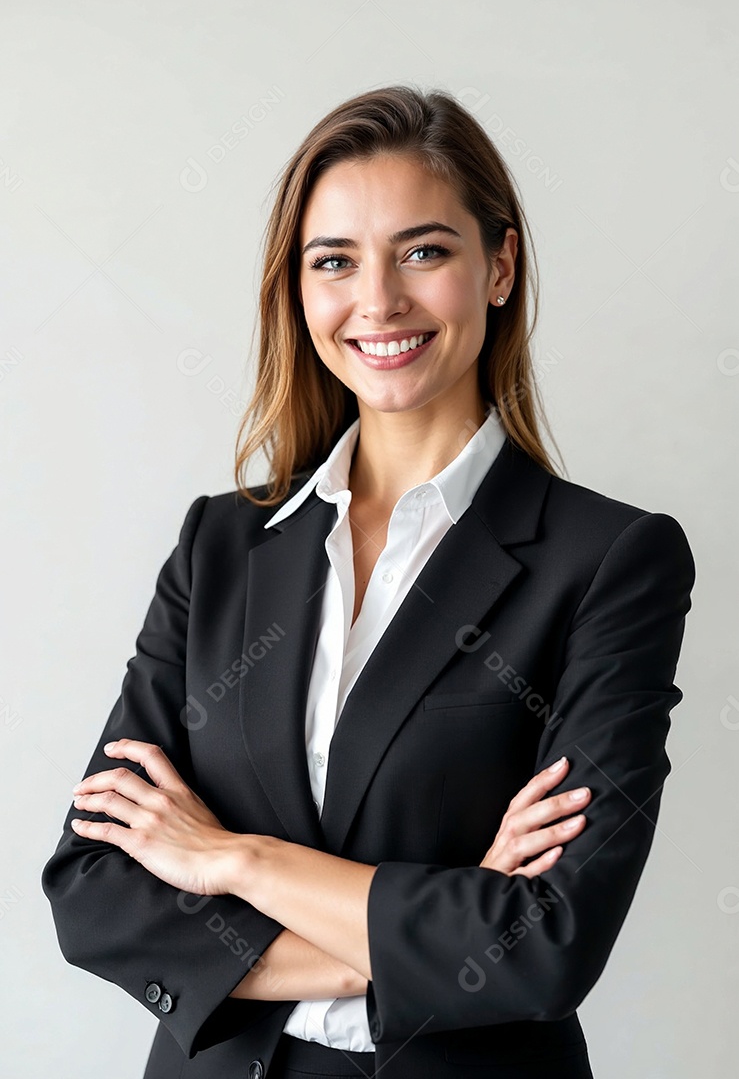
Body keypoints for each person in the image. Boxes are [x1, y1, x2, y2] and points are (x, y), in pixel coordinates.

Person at [41, 84, 695, 1079]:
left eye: (423, 252)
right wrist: (436, 919)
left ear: (500, 265)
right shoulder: (221, 546)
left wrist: (232, 861)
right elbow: (92, 884)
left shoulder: (609, 561)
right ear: (299, 291)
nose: (378, 301)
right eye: (334, 261)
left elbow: (545, 944)